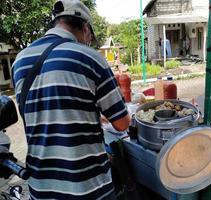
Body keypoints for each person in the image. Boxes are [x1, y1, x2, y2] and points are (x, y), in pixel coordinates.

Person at [12, 0, 130, 199]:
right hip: (88, 188)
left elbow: (44, 115)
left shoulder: (20, 61)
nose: (88, 42)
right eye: (89, 38)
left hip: (41, 187)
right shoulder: (89, 57)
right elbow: (122, 123)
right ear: (85, 28)